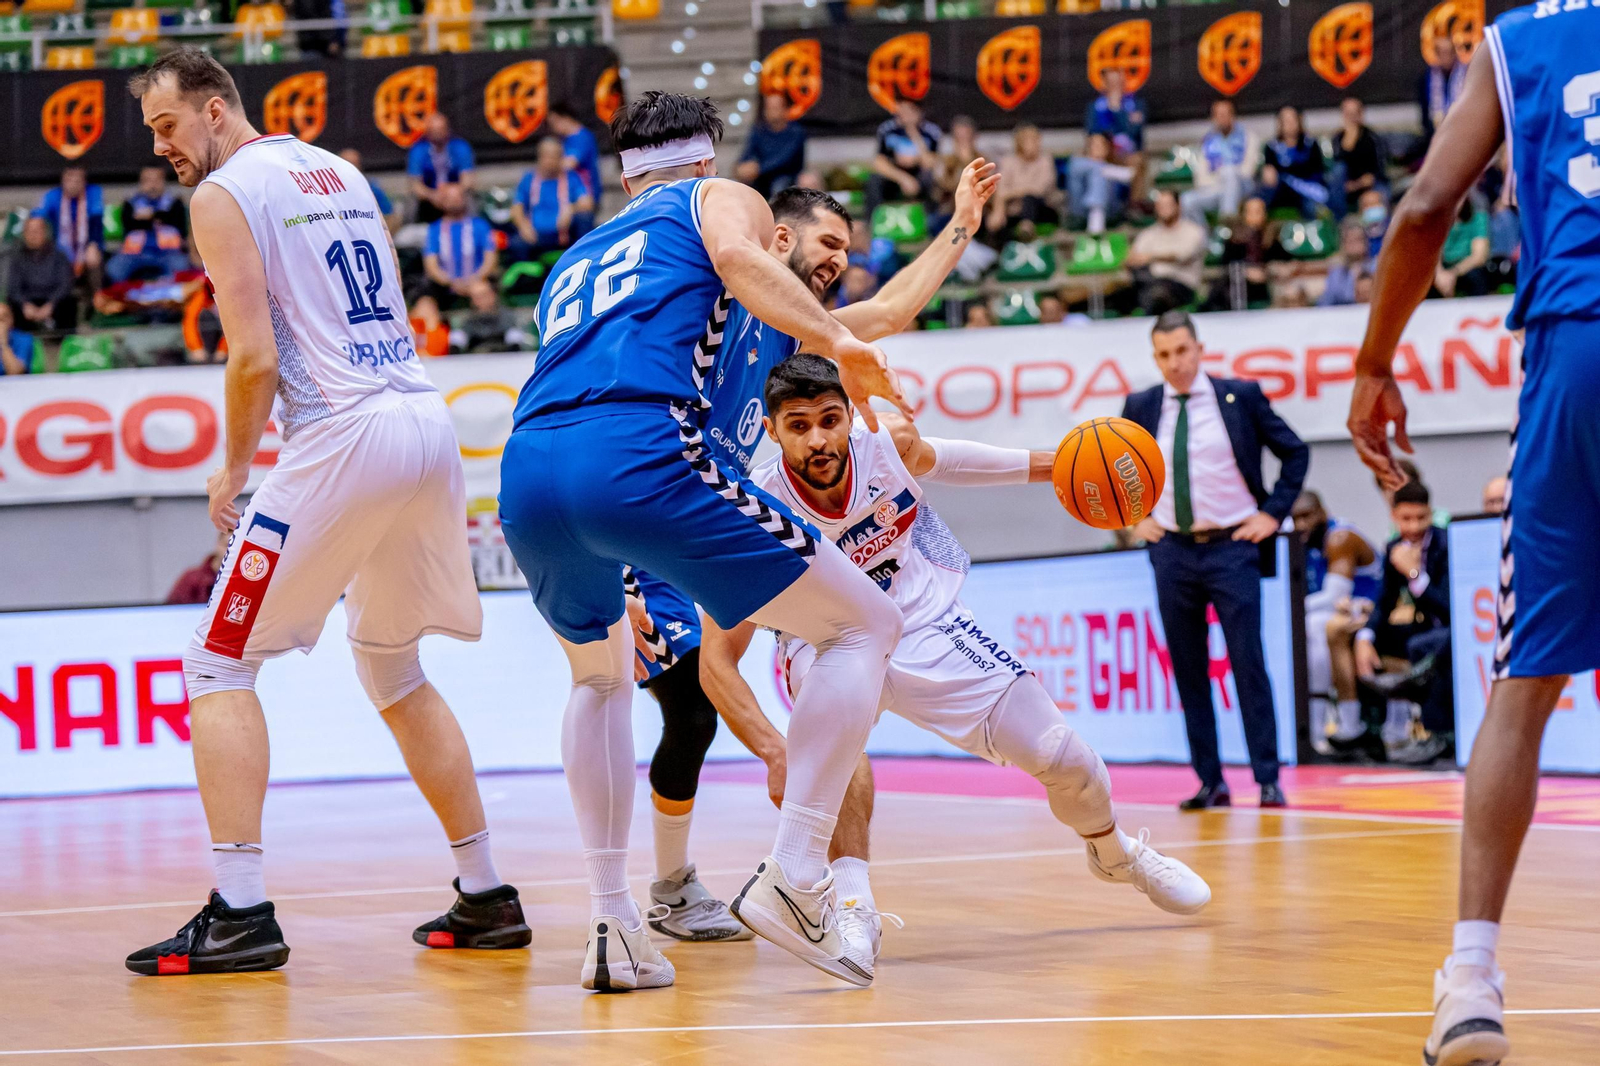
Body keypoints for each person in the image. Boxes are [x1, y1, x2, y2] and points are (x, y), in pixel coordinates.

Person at [123, 48, 529, 978]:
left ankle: (239, 911)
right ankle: (487, 892)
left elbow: (254, 358)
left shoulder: (223, 196)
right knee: (392, 666)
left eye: (168, 126)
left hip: (344, 429)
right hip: (421, 420)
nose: (162, 149)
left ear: (217, 110)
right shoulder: (337, 169)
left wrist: (232, 471)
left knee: (216, 659)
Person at [495, 90, 913, 992]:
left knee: (600, 682)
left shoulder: (576, 251)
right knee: (867, 626)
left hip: (528, 469)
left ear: (624, 167)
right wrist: (839, 335)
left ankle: (613, 923)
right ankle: (797, 876)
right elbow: (734, 253)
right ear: (705, 156)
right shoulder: (717, 198)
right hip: (643, 453)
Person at [697, 353, 1211, 968]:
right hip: (823, 642)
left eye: (829, 419)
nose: (818, 438)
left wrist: (1057, 466)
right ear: (774, 432)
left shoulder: (886, 449)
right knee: (839, 750)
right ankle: (851, 905)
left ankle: (1115, 851)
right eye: (799, 425)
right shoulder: (756, 512)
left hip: (926, 625)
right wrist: (772, 749)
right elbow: (717, 658)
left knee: (1063, 758)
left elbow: (955, 461)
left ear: (845, 418)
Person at [620, 167, 997, 946]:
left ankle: (825, 887)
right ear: (778, 237)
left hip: (737, 530)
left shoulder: (797, 333)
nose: (839, 261)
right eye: (829, 243)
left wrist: (962, 221)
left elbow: (891, 309)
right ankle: (669, 884)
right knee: (691, 709)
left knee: (835, 694)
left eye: (847, 249)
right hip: (661, 531)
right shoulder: (710, 310)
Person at [1348, 4, 1600, 1058]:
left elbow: (1423, 207)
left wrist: (1371, 364)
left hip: (1577, 349)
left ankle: (1470, 977)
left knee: (1524, 682)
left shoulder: (1529, 34)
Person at [1122, 311, 1309, 811]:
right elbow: (1115, 472)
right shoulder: (1141, 406)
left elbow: (1295, 453)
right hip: (1172, 552)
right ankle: (1211, 781)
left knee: (1248, 662)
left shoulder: (1238, 397)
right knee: (1188, 669)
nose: (1174, 363)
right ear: (1155, 357)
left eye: (1182, 351)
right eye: (1163, 355)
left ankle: (1267, 778)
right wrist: (1133, 519)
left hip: (1232, 547)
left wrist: (1271, 514)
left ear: (1199, 348)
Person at [1352, 480, 1452, 765]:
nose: (1414, 526)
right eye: (1406, 519)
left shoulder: (1447, 543)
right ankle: (1368, 732)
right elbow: (1384, 601)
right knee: (1358, 639)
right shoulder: (1395, 546)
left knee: (1423, 644)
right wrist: (1364, 637)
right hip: (1421, 626)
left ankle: (1436, 734)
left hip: (1446, 626)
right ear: (1394, 517)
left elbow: (1449, 608)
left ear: (1430, 514)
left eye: (1421, 517)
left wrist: (1414, 575)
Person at [1291, 490, 1380, 753]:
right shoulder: (1301, 540)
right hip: (1342, 612)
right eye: (1295, 519)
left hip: (1370, 611)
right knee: (1307, 625)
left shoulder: (1339, 537)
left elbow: (1334, 597)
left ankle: (1332, 726)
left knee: (1315, 626)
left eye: (1307, 516)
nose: (1301, 525)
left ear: (1323, 513)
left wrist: (1289, 608)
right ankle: (1309, 724)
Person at [511, 135, 594, 258]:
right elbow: (516, 208)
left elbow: (588, 203)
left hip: (564, 234)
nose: (550, 161)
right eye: (546, 156)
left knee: (584, 218)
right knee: (515, 244)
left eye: (554, 156)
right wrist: (523, 226)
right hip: (535, 235)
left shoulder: (571, 178)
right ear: (540, 157)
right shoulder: (528, 179)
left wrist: (571, 209)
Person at [1126, 190, 1207, 315]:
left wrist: (1151, 257)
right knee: (1119, 295)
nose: (1163, 209)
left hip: (1181, 285)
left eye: (1167, 205)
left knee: (1158, 293)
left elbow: (1181, 256)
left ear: (1178, 206)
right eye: (1160, 206)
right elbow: (1131, 258)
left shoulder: (1193, 231)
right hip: (1148, 282)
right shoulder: (1147, 234)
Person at [107, 164, 190, 284]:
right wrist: (159, 219)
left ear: (164, 181)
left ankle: (169, 300)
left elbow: (179, 226)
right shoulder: (130, 203)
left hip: (169, 253)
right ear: (141, 182)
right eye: (148, 180)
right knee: (114, 269)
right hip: (135, 254)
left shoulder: (176, 203)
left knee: (181, 267)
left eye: (157, 180)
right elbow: (129, 226)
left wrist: (146, 218)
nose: (153, 185)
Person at [1181, 99, 1260, 224]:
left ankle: (1226, 224)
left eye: (1225, 114)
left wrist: (1226, 175)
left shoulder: (1248, 137)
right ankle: (1204, 238)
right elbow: (1200, 177)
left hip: (1243, 186)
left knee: (1229, 172)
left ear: (1232, 116)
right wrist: (1221, 182)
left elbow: (1248, 170)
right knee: (1187, 200)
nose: (1222, 118)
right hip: (1216, 188)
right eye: (1218, 115)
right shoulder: (1208, 141)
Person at [424, 185, 498, 305]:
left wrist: (475, 279)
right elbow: (431, 265)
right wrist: (451, 282)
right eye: (450, 198)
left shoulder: (480, 225)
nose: (455, 202)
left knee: (483, 291)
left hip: (477, 280)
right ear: (442, 202)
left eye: (458, 197)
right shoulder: (435, 229)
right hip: (445, 285)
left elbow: (490, 258)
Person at [1207, 196, 1283, 311]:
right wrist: (1245, 272)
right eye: (1251, 212)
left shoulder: (1271, 238)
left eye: (1258, 211)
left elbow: (1283, 261)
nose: (1255, 215)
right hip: (1239, 287)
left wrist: (1266, 272)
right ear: (1243, 214)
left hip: (1265, 287)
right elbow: (1225, 265)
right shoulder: (1235, 240)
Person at [988, 123, 1062, 238]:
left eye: (1036, 140)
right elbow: (1001, 190)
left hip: (1042, 208)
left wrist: (1013, 192)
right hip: (1014, 209)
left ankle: (1026, 227)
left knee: (1029, 199)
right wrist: (999, 210)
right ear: (1020, 143)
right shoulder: (1008, 161)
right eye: (1029, 141)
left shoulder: (1045, 160)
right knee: (995, 219)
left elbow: (1039, 189)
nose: (1035, 144)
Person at [33, 165, 104, 285]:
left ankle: (97, 300)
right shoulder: (53, 196)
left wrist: (93, 245)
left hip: (86, 247)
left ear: (84, 181)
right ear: (63, 180)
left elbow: (96, 221)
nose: (73, 184)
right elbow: (38, 217)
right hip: (59, 249)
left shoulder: (93, 193)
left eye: (78, 180)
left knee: (95, 259)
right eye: (69, 179)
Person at [867, 99, 941, 213]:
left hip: (919, 174)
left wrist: (912, 131)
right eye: (901, 111)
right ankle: (873, 221)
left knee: (931, 179)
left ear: (918, 112)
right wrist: (903, 179)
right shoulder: (888, 130)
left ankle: (930, 221)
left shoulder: (931, 131)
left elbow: (930, 162)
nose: (903, 115)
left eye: (909, 111)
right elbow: (879, 162)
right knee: (874, 179)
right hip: (895, 175)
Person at [8, 216, 77, 333]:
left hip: (52, 301)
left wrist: (51, 305)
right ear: (24, 234)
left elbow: (65, 284)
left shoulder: (59, 256)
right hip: (28, 302)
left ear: (45, 233)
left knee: (69, 302)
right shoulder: (17, 257)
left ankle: (61, 339)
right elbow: (14, 286)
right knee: (11, 304)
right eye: (29, 232)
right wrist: (25, 305)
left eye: (37, 231)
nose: (33, 235)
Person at [1258, 106, 1328, 218]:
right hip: (1281, 191)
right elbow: (1271, 174)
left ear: (1299, 121)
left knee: (1311, 206)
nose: (1290, 124)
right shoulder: (1271, 147)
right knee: (1259, 199)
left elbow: (1316, 170)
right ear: (1280, 124)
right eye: (1286, 121)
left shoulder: (1310, 144)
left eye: (1292, 120)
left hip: (1306, 190)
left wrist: (1287, 171)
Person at [408, 112, 475, 224]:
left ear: (447, 129)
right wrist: (433, 195)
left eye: (440, 129)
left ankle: (472, 227)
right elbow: (415, 185)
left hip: (455, 193)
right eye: (433, 130)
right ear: (427, 132)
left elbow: (467, 180)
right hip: (430, 196)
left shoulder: (460, 146)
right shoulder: (418, 150)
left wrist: (452, 193)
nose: (437, 134)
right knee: (411, 203)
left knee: (470, 199)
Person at [736, 93, 807, 199]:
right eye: (768, 108)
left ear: (785, 109)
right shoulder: (759, 131)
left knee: (779, 187)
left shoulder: (795, 132)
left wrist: (758, 169)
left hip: (787, 177)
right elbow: (748, 153)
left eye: (775, 108)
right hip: (760, 179)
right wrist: (742, 167)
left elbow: (783, 159)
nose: (772, 112)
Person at [1330, 96, 1388, 219]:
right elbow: (1337, 164)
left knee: (1379, 195)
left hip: (1371, 183)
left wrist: (1359, 184)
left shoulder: (1372, 138)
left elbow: (1378, 170)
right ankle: (1341, 223)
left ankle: (1379, 234)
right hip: (1345, 187)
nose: (1352, 117)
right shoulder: (1338, 139)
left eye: (1355, 113)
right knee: (1337, 175)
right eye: (1348, 114)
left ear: (1361, 114)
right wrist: (1349, 138)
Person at [1067, 132, 1132, 234]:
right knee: (1099, 172)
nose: (1099, 148)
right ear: (1088, 148)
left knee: (1100, 172)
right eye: (1095, 145)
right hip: (1081, 211)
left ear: (1107, 149)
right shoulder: (1077, 162)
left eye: (1102, 145)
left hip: (1110, 211)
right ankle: (1096, 224)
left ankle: (1096, 219)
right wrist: (1111, 171)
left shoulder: (1111, 163)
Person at [1433, 197, 1492, 298]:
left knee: (1476, 277)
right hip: (1442, 269)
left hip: (1466, 268)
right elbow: (1433, 252)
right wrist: (1439, 274)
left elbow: (1478, 257)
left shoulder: (1477, 218)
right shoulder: (1435, 222)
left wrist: (1453, 273)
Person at [548, 100, 602, 207]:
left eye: (554, 122)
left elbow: (570, 163)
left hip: (586, 191)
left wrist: (550, 165)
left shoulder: (583, 137)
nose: (553, 128)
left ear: (565, 118)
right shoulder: (564, 140)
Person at [1419, 33, 1468, 149]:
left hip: (1463, 132)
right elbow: (1425, 116)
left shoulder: (1467, 75)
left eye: (1450, 52)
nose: (1447, 57)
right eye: (1442, 53)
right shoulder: (1426, 80)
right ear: (1436, 54)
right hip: (1435, 135)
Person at [339, 148, 399, 232]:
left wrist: (384, 240)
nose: (349, 168)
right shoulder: (326, 191)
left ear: (359, 166)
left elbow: (390, 217)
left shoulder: (371, 188)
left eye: (354, 163)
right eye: (345, 163)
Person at [167, 528, 231, 604]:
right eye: (228, 545)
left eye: (237, 548)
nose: (231, 551)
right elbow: (173, 609)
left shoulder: (244, 582)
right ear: (218, 544)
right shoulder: (191, 579)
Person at [459, 279, 524, 353]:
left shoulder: (506, 315)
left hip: (504, 357)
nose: (480, 300)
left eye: (483, 295)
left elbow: (514, 335)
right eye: (475, 297)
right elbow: (461, 337)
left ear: (493, 295)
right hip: (476, 358)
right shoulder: (468, 319)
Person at [1318, 220, 1373, 307]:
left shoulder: (1377, 268)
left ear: (1366, 242)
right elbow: (1326, 303)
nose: (1354, 245)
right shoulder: (1336, 273)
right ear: (1342, 244)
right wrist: (1352, 279)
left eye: (1358, 239)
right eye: (1350, 241)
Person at [0, 303, 35, 374]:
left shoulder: (24, 339)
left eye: (2, 320)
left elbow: (15, 372)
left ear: (11, 319)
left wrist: (4, 344)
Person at [1357, 187, 1390, 260]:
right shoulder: (1357, 234)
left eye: (1374, 204)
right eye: (1367, 205)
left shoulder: (1393, 229)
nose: (1371, 208)